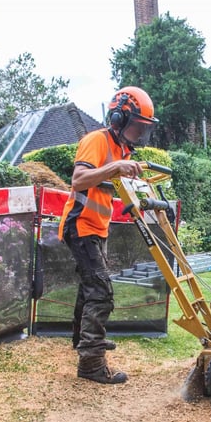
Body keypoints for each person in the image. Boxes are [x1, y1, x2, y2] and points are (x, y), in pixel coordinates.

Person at [58, 86, 158, 384]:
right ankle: (91, 364)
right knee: (101, 293)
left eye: (144, 127)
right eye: (137, 125)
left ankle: (83, 342)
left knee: (90, 288)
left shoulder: (122, 150)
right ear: (119, 118)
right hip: (81, 225)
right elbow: (79, 179)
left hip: (97, 227)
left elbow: (108, 184)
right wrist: (115, 167)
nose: (140, 132)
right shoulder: (97, 141)